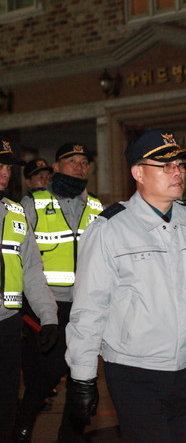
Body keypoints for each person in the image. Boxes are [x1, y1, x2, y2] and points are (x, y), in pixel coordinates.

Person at [64, 129, 186, 442]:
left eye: (180, 165)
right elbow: (90, 310)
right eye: (165, 166)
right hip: (135, 373)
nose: (177, 172)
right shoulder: (110, 229)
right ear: (138, 173)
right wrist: (82, 377)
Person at [16, 143, 103, 442]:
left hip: (86, 306)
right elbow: (21, 256)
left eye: (84, 162)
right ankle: (22, 427)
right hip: (46, 305)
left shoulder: (96, 207)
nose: (80, 167)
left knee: (82, 373)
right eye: (72, 161)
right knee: (48, 373)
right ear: (56, 167)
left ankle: (71, 435)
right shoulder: (33, 203)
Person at [0, 138, 58, 442]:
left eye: (8, 166)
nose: (5, 172)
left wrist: (48, 316)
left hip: (8, 326)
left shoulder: (15, 212)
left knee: (6, 407)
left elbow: (33, 270)